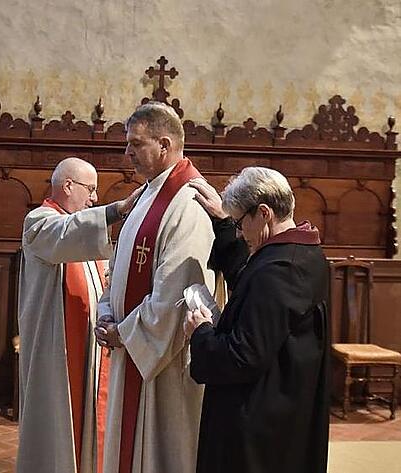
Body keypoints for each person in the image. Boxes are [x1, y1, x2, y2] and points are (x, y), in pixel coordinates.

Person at [95, 102, 214, 473]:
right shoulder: (147, 194)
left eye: (136, 144)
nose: (126, 153)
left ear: (164, 145)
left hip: (162, 364)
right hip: (132, 346)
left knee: (161, 454)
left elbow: (176, 298)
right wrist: (106, 312)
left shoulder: (189, 204)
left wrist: (123, 334)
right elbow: (117, 268)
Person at [185, 167, 330, 473]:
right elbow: (250, 281)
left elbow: (242, 356)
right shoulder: (301, 253)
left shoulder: (279, 271)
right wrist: (223, 222)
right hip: (284, 410)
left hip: (258, 426)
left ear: (263, 213)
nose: (239, 233)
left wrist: (201, 332)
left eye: (239, 223)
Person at [17, 157, 138, 473]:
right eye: (91, 189)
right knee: (57, 438)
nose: (94, 198)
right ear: (68, 185)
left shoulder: (80, 231)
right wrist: (115, 210)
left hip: (91, 354)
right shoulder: (40, 222)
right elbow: (66, 234)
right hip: (57, 355)